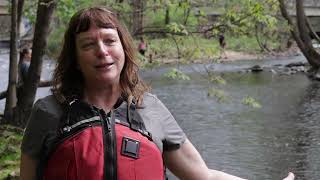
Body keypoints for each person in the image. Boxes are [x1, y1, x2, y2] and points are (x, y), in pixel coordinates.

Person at [20, 6, 294, 180]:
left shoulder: (150, 109)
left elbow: (203, 176)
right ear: (75, 58)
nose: (102, 51)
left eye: (109, 40)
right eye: (88, 44)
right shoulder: (48, 113)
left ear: (124, 49)